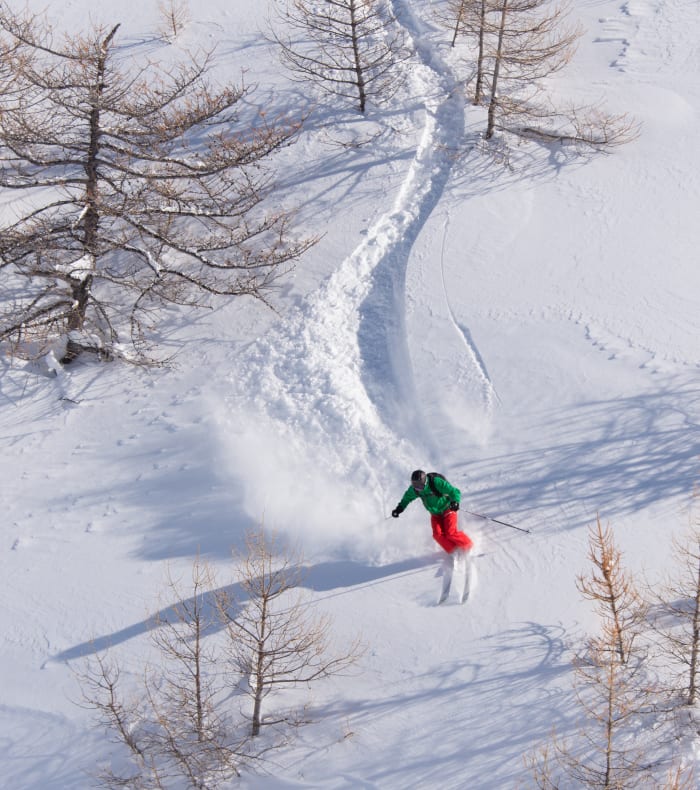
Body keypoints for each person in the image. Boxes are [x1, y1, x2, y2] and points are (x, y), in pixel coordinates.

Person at [392, 469, 473, 555]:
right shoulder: (414, 489)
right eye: (415, 486)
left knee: (450, 533)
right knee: (437, 535)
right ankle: (454, 552)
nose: (418, 489)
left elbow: (454, 491)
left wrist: (455, 502)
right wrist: (399, 509)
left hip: (447, 508)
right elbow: (406, 498)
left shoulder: (436, 482)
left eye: (420, 486)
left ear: (425, 482)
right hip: (435, 514)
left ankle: (468, 546)